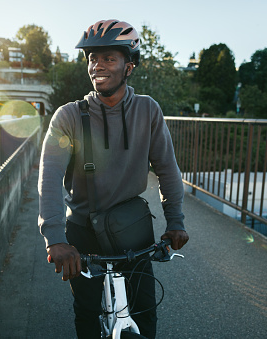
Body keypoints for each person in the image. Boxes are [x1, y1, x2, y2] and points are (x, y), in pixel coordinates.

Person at [38, 19, 189, 339]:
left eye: (109, 58)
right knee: (87, 315)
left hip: (131, 230)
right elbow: (49, 178)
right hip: (82, 232)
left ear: (128, 66)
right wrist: (55, 239)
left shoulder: (148, 110)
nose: (98, 66)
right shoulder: (67, 116)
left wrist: (175, 222)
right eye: (93, 58)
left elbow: (167, 169)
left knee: (145, 315)